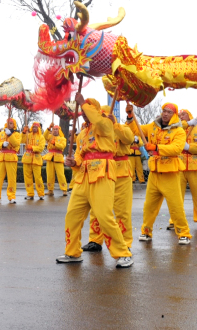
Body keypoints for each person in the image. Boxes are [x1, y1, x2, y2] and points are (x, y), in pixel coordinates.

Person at [56, 95, 133, 268]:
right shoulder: (82, 133)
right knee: (72, 215)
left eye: (87, 109)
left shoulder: (106, 124)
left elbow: (100, 123)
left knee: (104, 216)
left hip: (103, 171)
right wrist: (74, 162)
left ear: (95, 110)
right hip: (83, 176)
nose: (83, 112)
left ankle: (123, 253)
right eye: (82, 110)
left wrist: (83, 102)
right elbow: (79, 155)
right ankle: (72, 252)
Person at [126, 103, 192, 245]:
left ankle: (184, 233)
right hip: (154, 174)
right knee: (149, 206)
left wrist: (156, 147)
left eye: (169, 112)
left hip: (170, 174)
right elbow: (135, 130)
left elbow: (176, 149)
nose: (165, 114)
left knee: (176, 207)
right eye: (164, 111)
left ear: (173, 115)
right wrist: (130, 116)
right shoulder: (152, 126)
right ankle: (146, 231)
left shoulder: (179, 131)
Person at [82, 105, 135, 252]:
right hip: (102, 171)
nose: (104, 119)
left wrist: (115, 125)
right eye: (102, 116)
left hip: (121, 172)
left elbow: (129, 138)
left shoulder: (121, 127)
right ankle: (95, 240)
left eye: (106, 116)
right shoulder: (95, 131)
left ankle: (125, 243)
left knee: (122, 210)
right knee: (97, 209)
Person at [168, 109, 197, 231]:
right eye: (179, 115)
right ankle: (174, 220)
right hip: (179, 166)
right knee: (176, 195)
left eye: (183, 114)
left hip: (196, 166)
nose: (181, 117)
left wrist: (188, 147)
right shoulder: (176, 131)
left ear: (189, 116)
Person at [0, 118, 21, 204]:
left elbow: (16, 144)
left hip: (11, 157)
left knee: (11, 178)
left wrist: (10, 135)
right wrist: (2, 144)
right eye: (8, 123)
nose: (8, 124)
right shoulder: (2, 133)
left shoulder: (17, 134)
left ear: (14, 125)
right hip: (1, 156)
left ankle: (11, 196)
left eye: (11, 123)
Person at [21, 122, 46, 200]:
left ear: (38, 128)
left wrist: (32, 147)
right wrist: (24, 132)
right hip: (27, 158)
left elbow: (41, 148)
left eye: (36, 127)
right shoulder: (28, 134)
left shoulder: (41, 137)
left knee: (38, 177)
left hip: (36, 158)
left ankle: (41, 193)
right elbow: (21, 140)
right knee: (27, 177)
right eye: (33, 127)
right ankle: (30, 193)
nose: (34, 128)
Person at [42, 124, 68, 197]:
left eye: (56, 129)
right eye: (54, 129)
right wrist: (48, 128)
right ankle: (50, 190)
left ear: (59, 130)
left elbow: (62, 146)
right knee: (49, 175)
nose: (55, 130)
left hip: (58, 157)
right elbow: (44, 136)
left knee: (60, 175)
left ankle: (64, 189)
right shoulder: (50, 137)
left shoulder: (62, 138)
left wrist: (55, 143)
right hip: (50, 157)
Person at [126, 109, 146, 184]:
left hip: (137, 154)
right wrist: (131, 140)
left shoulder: (138, 135)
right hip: (130, 153)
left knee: (139, 168)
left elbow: (141, 144)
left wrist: (137, 141)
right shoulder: (127, 135)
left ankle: (141, 180)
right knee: (131, 167)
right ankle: (132, 179)